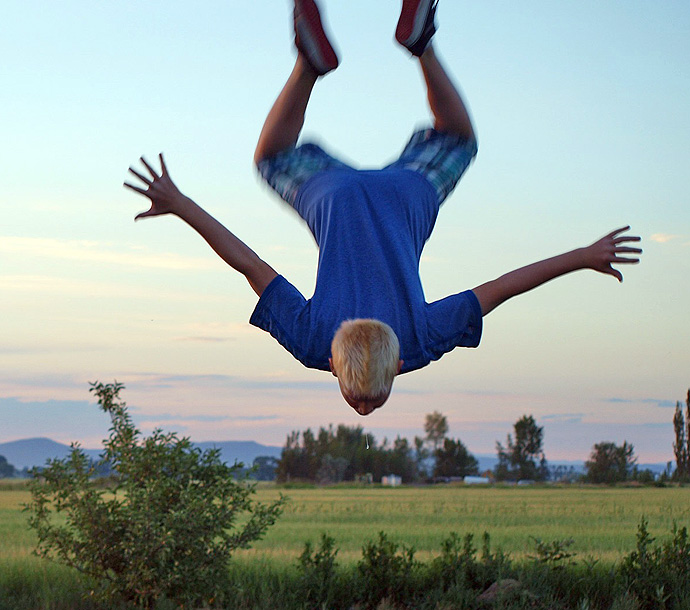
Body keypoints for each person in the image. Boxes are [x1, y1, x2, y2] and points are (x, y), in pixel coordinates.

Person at [125, 0, 642, 416]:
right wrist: (181, 203)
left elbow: (501, 288)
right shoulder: (312, 342)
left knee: (459, 139)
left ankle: (421, 44)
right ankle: (309, 64)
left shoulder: (418, 341)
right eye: (369, 397)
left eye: (361, 398)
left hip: (407, 196)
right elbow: (248, 264)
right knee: (271, 157)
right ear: (336, 363)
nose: (365, 408)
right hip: (334, 199)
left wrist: (582, 256)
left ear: (393, 367)